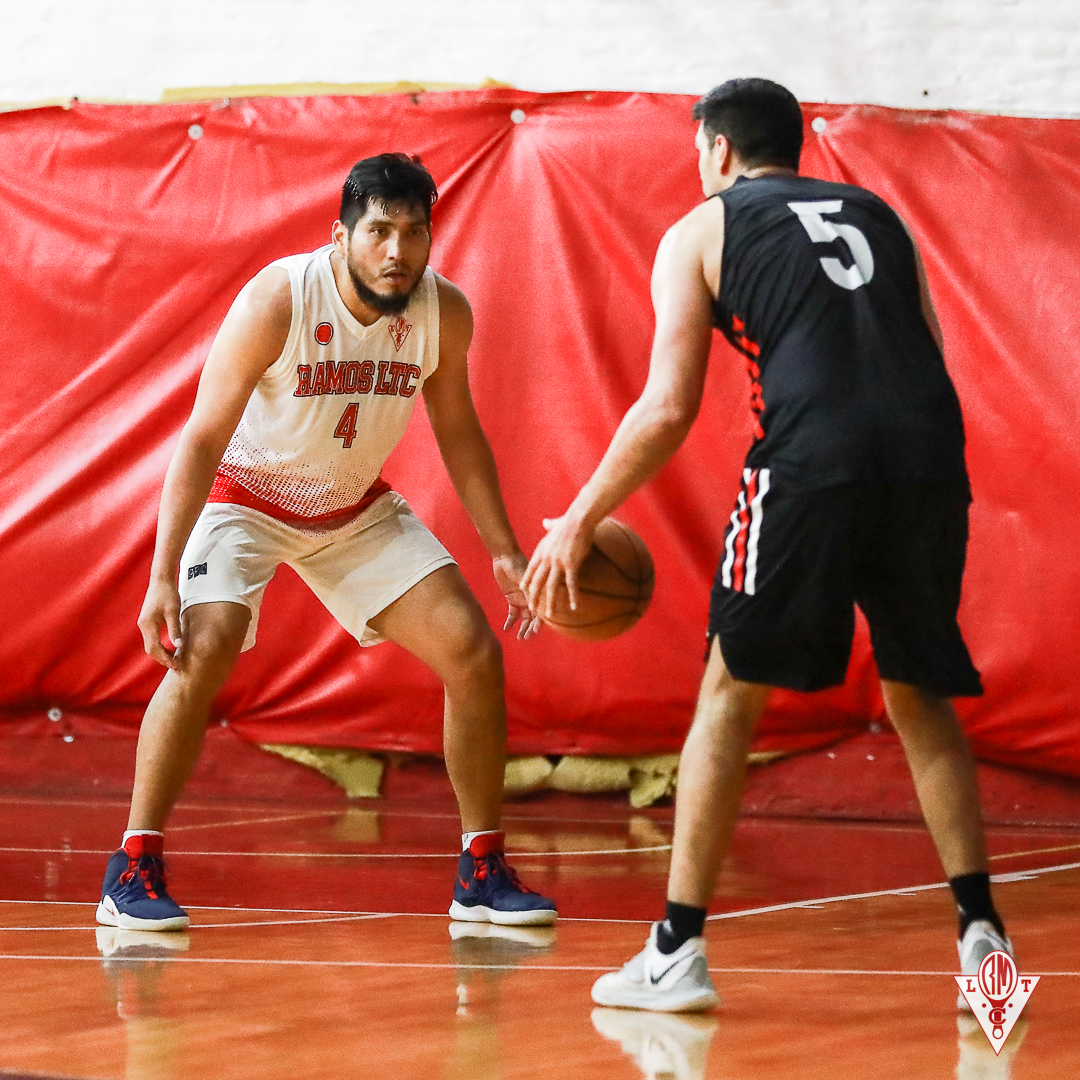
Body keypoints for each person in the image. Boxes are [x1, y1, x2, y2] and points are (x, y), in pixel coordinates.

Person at [522, 78, 1008, 1011]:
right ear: (796, 145)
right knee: (920, 693)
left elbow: (667, 408)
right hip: (929, 460)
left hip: (811, 463)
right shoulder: (883, 218)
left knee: (727, 687)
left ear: (712, 149)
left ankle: (675, 949)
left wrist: (579, 517)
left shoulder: (701, 228)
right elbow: (930, 361)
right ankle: (980, 938)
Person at [97, 153, 556, 932]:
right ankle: (131, 866)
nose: (397, 250)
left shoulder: (441, 311)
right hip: (247, 496)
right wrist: (163, 574)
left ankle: (480, 872)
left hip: (350, 509)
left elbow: (460, 432)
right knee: (203, 647)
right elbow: (203, 438)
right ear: (340, 235)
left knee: (473, 651)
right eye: (379, 230)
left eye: (414, 232)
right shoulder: (278, 299)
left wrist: (505, 550)